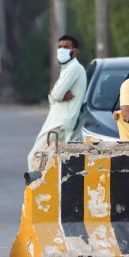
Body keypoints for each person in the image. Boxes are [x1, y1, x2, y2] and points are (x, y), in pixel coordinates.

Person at [27, 34, 87, 170]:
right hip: (59, 120)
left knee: (34, 157)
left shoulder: (74, 68)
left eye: (66, 47)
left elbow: (56, 94)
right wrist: (56, 95)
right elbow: (55, 95)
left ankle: (36, 190)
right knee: (53, 163)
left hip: (61, 122)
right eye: (60, 47)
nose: (61, 50)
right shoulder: (67, 68)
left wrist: (56, 95)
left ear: (75, 51)